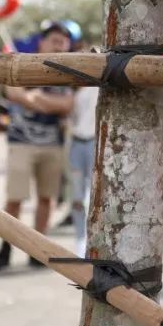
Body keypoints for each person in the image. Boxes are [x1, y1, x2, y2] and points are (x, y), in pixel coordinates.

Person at [0, 22, 74, 270]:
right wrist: (47, 102)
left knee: (46, 199)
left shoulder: (69, 70)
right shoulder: (22, 63)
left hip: (52, 145)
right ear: (42, 42)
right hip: (21, 142)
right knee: (14, 199)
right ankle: (5, 247)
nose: (59, 45)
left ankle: (38, 250)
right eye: (54, 40)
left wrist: (34, 100)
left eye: (63, 41)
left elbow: (67, 105)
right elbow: (13, 94)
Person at [67, 64, 99, 257]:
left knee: (94, 194)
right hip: (77, 143)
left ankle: (92, 241)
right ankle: (80, 240)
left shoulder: (99, 88)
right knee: (77, 194)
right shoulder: (74, 90)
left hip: (95, 142)